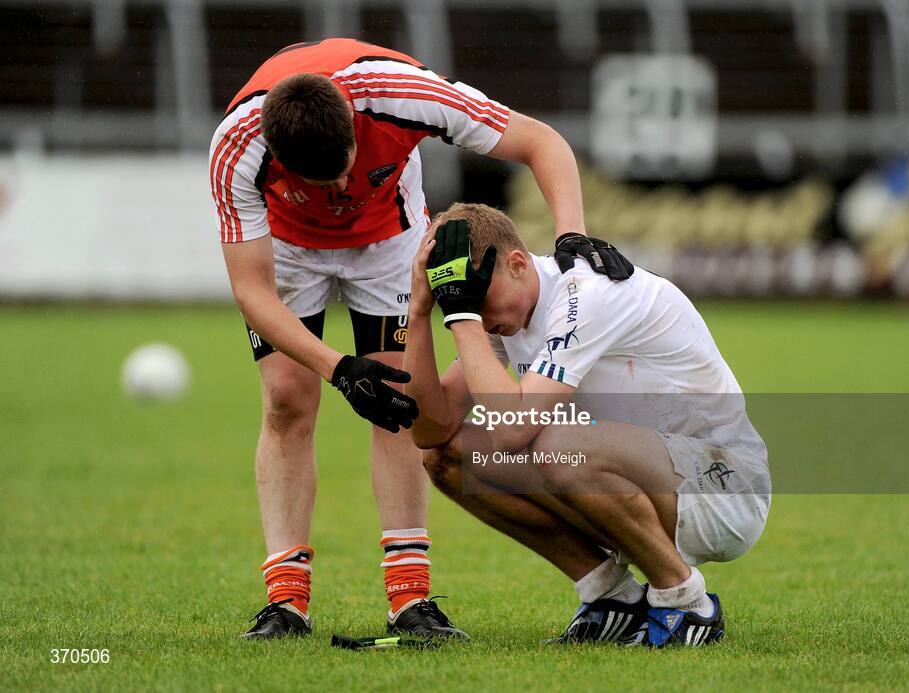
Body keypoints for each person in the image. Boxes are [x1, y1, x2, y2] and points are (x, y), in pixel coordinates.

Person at [209, 38, 633, 640]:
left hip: (388, 240)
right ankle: (285, 602)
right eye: (320, 184)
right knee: (286, 400)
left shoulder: (400, 92)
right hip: (289, 250)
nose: (338, 198)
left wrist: (571, 235)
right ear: (275, 152)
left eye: (346, 174)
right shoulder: (236, 146)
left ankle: (410, 599)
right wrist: (337, 368)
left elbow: (542, 142)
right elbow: (253, 293)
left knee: (397, 403)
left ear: (356, 124)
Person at [403, 204, 771, 647]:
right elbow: (430, 431)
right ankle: (610, 599)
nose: (474, 313)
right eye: (463, 300)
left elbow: (512, 428)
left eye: (477, 296)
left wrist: (461, 314)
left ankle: (686, 603)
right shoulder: (506, 315)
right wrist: (421, 313)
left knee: (555, 444)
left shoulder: (585, 292)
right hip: (651, 479)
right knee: (449, 458)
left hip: (725, 487)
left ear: (517, 264)